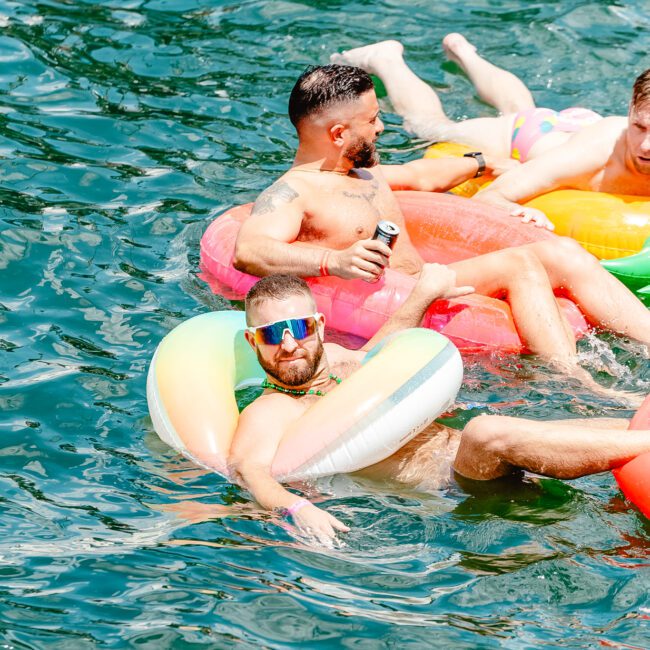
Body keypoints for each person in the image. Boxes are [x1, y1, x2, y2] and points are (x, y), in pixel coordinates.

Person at [233, 63, 650, 376]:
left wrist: (481, 162)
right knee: (520, 262)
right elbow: (249, 250)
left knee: (561, 252)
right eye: (373, 119)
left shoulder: (360, 171)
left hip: (430, 279)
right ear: (339, 133)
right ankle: (576, 381)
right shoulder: (293, 192)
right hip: (401, 301)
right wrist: (333, 262)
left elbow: (419, 177)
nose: (381, 127)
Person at [228, 272, 650, 544]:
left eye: (297, 328)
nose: (287, 345)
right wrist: (299, 509)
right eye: (270, 335)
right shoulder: (271, 410)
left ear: (317, 326)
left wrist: (423, 294)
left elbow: (382, 356)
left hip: (480, 456)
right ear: (253, 341)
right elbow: (249, 470)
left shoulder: (341, 361)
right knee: (486, 431)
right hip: (455, 486)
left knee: (617, 425)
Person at [330, 35, 650, 223]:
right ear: (628, 114)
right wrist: (516, 212)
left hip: (567, 130)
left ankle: (464, 52)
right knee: (430, 127)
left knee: (523, 108)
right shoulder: (595, 154)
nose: (646, 145)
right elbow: (491, 196)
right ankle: (386, 59)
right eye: (639, 127)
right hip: (526, 137)